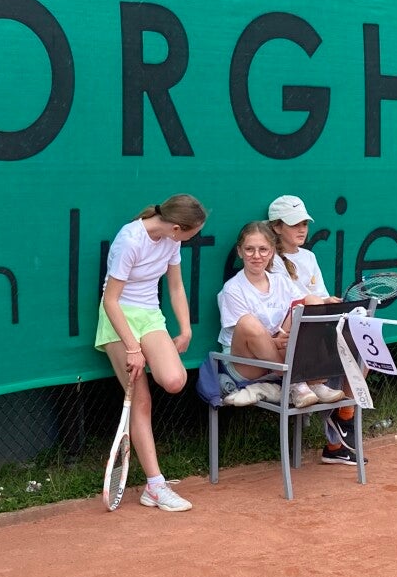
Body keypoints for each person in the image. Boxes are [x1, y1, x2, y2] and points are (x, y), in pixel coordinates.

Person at [98, 194, 207, 510]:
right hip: (118, 318)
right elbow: (111, 300)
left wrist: (185, 329)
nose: (192, 238)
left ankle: (155, 486)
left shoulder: (172, 241)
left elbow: (175, 286)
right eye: (191, 233)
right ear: (176, 228)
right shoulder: (130, 240)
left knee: (174, 380)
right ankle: (155, 486)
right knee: (141, 400)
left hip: (149, 315)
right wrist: (133, 348)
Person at [267, 195, 356, 464]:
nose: (302, 229)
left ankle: (342, 423)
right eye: (294, 224)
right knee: (317, 311)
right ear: (277, 227)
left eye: (304, 223)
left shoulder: (309, 256)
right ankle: (335, 440)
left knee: (359, 349)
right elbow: (292, 300)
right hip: (289, 331)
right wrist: (321, 302)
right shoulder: (270, 259)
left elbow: (320, 295)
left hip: (315, 326)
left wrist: (330, 302)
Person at [216, 220, 318, 409]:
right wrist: (275, 342)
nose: (256, 256)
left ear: (272, 252)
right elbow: (250, 334)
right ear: (240, 252)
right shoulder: (232, 289)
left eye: (263, 250)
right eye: (249, 249)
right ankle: (295, 383)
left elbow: (302, 307)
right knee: (248, 322)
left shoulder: (281, 281)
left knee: (312, 303)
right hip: (245, 363)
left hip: (278, 352)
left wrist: (323, 302)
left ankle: (309, 382)